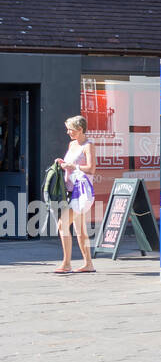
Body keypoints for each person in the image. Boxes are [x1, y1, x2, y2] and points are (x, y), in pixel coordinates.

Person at [53, 115, 97, 274]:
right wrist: (63, 164)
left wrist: (73, 166)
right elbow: (69, 165)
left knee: (62, 224)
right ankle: (88, 264)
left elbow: (91, 169)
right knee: (80, 230)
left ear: (80, 129)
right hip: (70, 191)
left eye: (70, 129)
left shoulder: (88, 146)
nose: (68, 132)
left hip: (81, 193)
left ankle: (66, 263)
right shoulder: (72, 144)